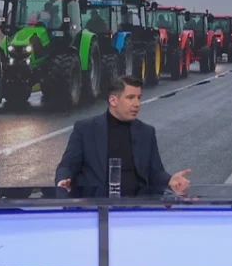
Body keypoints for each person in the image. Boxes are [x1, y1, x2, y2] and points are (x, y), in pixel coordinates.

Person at [55, 75, 191, 197]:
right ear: (113, 100)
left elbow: (156, 172)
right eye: (130, 98)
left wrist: (169, 180)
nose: (137, 104)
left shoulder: (146, 132)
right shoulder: (86, 129)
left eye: (139, 98)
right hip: (96, 205)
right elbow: (67, 166)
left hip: (136, 207)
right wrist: (62, 180)